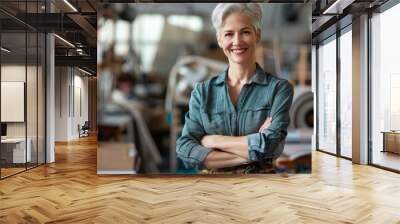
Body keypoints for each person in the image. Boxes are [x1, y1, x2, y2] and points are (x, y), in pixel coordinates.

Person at [176, 3, 294, 174]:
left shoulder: (279, 89)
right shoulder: (203, 93)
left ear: (257, 35)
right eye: (229, 34)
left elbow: (271, 146)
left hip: (260, 188)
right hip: (213, 189)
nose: (237, 41)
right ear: (219, 39)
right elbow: (185, 148)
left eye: (245, 32)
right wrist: (254, 153)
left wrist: (212, 140)